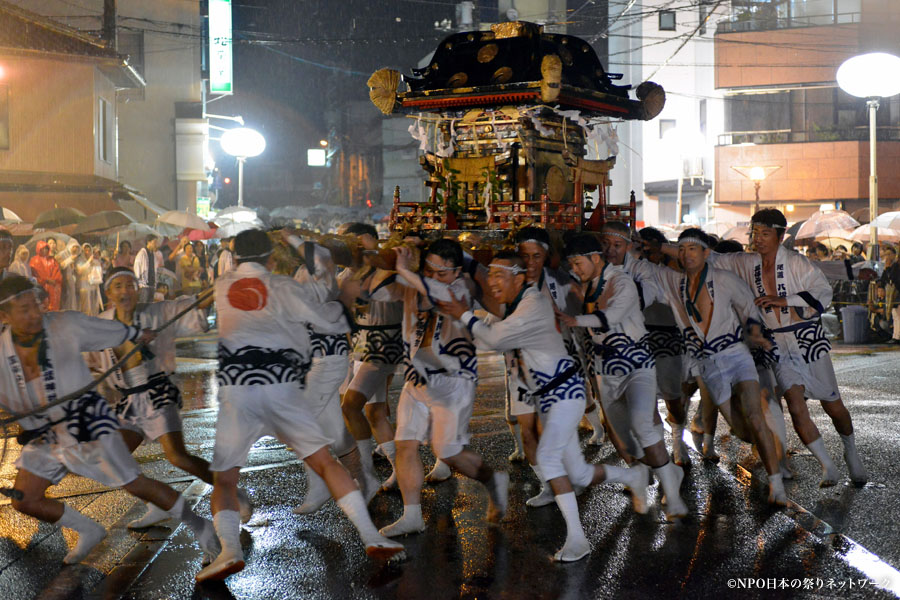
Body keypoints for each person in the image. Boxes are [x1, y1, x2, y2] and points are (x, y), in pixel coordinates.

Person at [199, 229, 403, 582]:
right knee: (324, 460)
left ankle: (229, 550)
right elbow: (324, 320)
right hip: (281, 387)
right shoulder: (284, 286)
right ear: (272, 259)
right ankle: (370, 534)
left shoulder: (221, 286)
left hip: (239, 391)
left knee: (226, 481)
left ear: (233, 258)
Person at [438, 250, 648, 562]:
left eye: (499, 275)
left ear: (519, 277)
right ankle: (633, 477)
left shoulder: (533, 303)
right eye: (490, 275)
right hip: (551, 396)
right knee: (577, 474)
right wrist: (471, 316)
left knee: (549, 458)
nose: (492, 282)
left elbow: (494, 339)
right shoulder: (518, 304)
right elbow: (490, 336)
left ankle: (578, 538)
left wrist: (464, 314)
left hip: (565, 392)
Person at [0, 275, 219, 565]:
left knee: (135, 483)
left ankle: (202, 528)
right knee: (25, 499)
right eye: (24, 310)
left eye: (35, 305)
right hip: (45, 435)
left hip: (89, 423)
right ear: (4, 316)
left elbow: (110, 330)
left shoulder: (64, 324)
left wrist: (136, 334)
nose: (34, 314)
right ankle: (89, 530)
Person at [703, 209, 867, 487]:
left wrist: (784, 300)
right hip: (777, 343)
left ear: (780, 236)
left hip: (807, 339)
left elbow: (822, 290)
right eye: (755, 233)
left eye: (765, 233)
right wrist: (670, 248)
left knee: (833, 406)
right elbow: (712, 257)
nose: (759, 239)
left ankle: (850, 449)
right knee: (794, 403)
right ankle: (828, 466)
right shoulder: (746, 262)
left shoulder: (795, 262)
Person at [91, 267, 251, 528]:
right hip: (128, 401)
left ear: (138, 289)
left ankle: (233, 492)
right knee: (112, 461)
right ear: (108, 292)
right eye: (118, 286)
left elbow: (192, 305)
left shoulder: (155, 313)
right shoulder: (100, 325)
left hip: (157, 392)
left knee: (178, 457)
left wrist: (221, 285)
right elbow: (84, 359)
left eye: (130, 285)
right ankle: (156, 504)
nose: (125, 291)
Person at [643, 229, 788, 505]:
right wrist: (652, 247)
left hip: (736, 354)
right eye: (682, 250)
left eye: (693, 249)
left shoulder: (724, 279)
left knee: (756, 418)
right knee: (744, 430)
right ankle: (759, 447)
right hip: (708, 364)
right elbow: (638, 265)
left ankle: (776, 484)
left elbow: (749, 310)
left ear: (707, 253)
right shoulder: (673, 283)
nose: (686, 255)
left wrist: (755, 333)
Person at [375, 240, 509, 537]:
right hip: (417, 378)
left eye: (442, 271)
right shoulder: (413, 284)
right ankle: (412, 516)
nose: (435, 276)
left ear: (457, 271)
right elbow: (376, 290)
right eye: (429, 269)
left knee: (447, 452)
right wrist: (381, 259)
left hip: (453, 383)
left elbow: (437, 292)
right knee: (405, 443)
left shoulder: (461, 289)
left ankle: (492, 481)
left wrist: (405, 270)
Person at [559, 234, 689, 521]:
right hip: (606, 369)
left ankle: (674, 495)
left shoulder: (622, 281)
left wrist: (575, 319)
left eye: (578, 262)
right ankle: (645, 479)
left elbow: (613, 314)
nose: (576, 269)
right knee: (624, 440)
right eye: (572, 264)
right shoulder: (583, 283)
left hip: (637, 364)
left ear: (595, 258)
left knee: (642, 424)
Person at [280, 230, 380, 514]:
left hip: (327, 360)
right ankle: (366, 480)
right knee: (337, 435)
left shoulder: (324, 272)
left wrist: (289, 237)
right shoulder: (303, 273)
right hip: (317, 359)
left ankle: (320, 486)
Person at [341, 222, 403, 491]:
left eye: (345, 241)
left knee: (350, 406)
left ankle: (364, 475)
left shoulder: (390, 271)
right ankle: (402, 468)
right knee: (375, 412)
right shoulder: (344, 275)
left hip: (383, 346)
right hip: (359, 348)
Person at [29, 240, 62, 311]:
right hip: (40, 286)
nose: (44, 250)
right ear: (39, 249)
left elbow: (57, 271)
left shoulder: (52, 260)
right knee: (42, 305)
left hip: (52, 286)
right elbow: (33, 275)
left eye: (46, 248)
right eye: (42, 249)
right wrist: (44, 280)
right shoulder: (34, 260)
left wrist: (54, 280)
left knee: (53, 306)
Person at [76, 243, 103, 316]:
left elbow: (99, 274)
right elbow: (79, 271)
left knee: (94, 306)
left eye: (88, 250)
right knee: (86, 306)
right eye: (85, 250)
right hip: (84, 286)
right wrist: (88, 263)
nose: (87, 252)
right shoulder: (79, 261)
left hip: (93, 285)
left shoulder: (95, 261)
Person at [58, 240, 81, 311]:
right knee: (66, 299)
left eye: (77, 247)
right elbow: (61, 266)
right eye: (74, 247)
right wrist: (70, 259)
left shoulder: (73, 255)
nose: (75, 249)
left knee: (72, 298)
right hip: (65, 280)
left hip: (72, 280)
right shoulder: (62, 254)